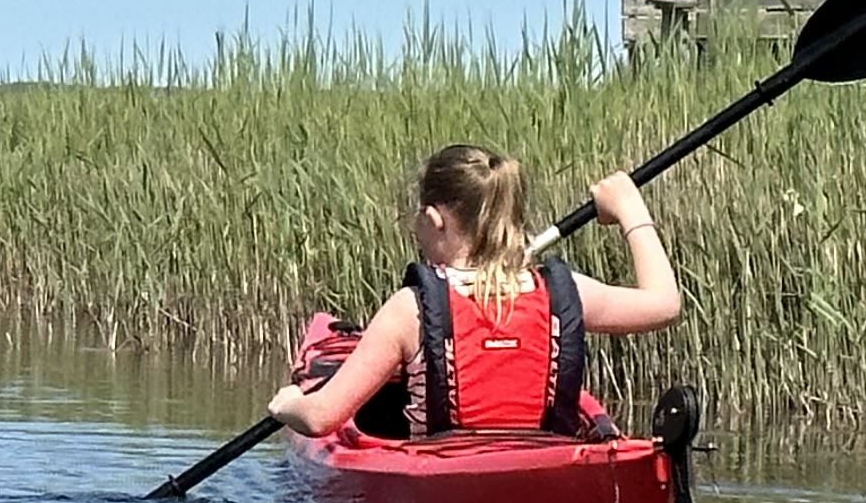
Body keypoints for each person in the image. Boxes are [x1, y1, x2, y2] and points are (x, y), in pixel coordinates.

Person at [265, 143, 679, 443]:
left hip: (443, 477)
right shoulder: (566, 291)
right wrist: (631, 210)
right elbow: (664, 304)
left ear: (433, 219)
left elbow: (320, 418)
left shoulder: (409, 310)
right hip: (546, 462)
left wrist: (288, 404)